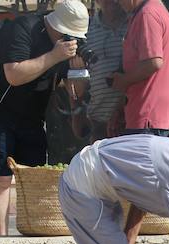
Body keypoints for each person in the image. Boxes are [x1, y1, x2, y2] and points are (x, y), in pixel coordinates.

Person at [0, 0, 89, 236]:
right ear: (57, 26)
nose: (72, 39)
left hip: (33, 116)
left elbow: (75, 90)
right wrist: (55, 56)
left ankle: (35, 231)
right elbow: (14, 75)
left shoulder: (65, 45)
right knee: (1, 178)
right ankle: (1, 238)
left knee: (34, 176)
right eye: (70, 34)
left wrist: (78, 69)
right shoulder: (23, 28)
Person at [110, 0, 169, 137]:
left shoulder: (147, 14)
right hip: (149, 115)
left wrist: (124, 80)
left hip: (148, 116)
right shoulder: (147, 11)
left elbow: (153, 62)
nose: (116, 1)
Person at [70, 0, 128, 142]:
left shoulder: (136, 23)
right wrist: (76, 114)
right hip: (97, 123)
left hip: (130, 121)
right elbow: (74, 74)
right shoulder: (85, 30)